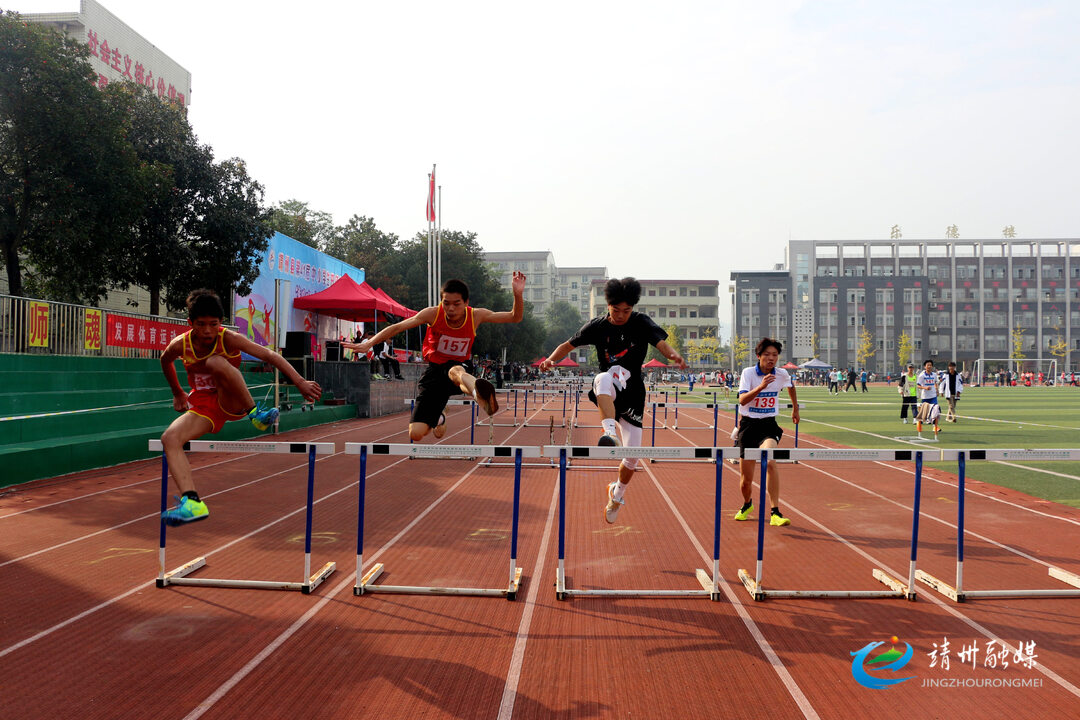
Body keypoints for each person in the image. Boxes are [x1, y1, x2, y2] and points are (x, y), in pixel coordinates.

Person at [159, 289, 323, 525]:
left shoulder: (229, 339)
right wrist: (177, 392)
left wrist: (299, 382)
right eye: (201, 324)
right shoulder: (180, 345)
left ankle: (255, 414)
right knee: (170, 438)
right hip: (204, 406)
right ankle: (193, 501)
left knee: (215, 361)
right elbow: (164, 360)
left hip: (233, 400)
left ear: (221, 323)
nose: (207, 331)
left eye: (213, 324)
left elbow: (270, 355)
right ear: (190, 323)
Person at [540, 277, 686, 524]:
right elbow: (568, 345)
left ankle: (617, 494)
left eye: (626, 311)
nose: (620, 315)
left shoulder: (640, 322)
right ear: (607, 306)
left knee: (632, 456)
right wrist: (550, 360)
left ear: (633, 308)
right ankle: (609, 432)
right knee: (602, 379)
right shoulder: (597, 326)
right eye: (615, 310)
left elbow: (661, 343)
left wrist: (675, 355)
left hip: (633, 392)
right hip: (610, 388)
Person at [343, 273, 526, 441]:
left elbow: (514, 317)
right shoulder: (432, 314)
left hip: (460, 367)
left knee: (455, 370)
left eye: (456, 304)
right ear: (441, 302)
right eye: (446, 303)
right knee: (416, 433)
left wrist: (517, 294)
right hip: (434, 372)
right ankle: (440, 417)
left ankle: (480, 394)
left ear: (466, 302)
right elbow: (397, 328)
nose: (451, 308)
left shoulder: (476, 316)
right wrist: (368, 343)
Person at [733, 337, 800, 527]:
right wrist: (761, 386)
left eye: (775, 355)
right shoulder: (748, 373)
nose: (771, 359)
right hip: (748, 425)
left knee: (770, 460)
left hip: (769, 425)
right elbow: (742, 400)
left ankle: (775, 511)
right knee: (746, 481)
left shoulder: (781, 374)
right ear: (758, 356)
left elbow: (791, 386)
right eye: (767, 355)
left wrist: (795, 408)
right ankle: (747, 504)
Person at [915, 359, 941, 435]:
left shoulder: (934, 375)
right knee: (924, 412)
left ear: (932, 366)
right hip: (925, 396)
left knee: (936, 410)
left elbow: (935, 382)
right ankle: (919, 423)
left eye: (930, 365)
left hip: (933, 396)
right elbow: (918, 385)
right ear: (925, 366)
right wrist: (925, 388)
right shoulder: (922, 376)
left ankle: (935, 426)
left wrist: (937, 390)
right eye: (928, 365)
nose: (929, 366)